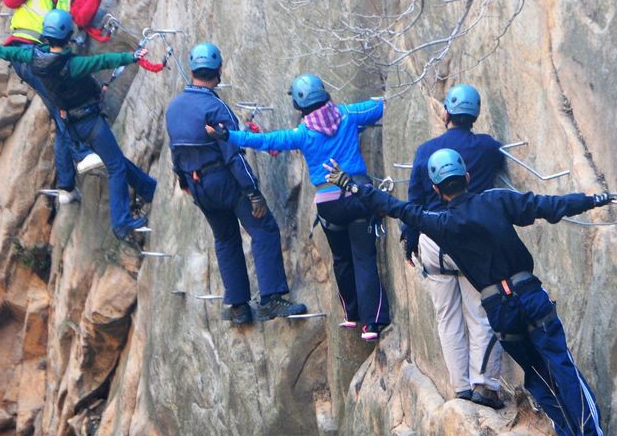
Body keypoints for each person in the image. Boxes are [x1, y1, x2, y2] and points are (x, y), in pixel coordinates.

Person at [323, 150, 614, 436]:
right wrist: (592, 200)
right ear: (467, 177)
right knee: (560, 362)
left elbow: (397, 208)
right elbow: (548, 206)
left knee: (537, 373)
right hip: (529, 295)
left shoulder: (441, 223)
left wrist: (353, 186)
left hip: (501, 311)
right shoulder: (496, 200)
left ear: (436, 190)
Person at [208, 74, 390, 341]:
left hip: (329, 205)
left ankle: (351, 315)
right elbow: (380, 107)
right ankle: (371, 325)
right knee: (363, 258)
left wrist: (228, 135)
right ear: (325, 94)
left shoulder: (303, 134)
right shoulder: (348, 115)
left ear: (299, 105)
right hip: (357, 196)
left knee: (341, 260)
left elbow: (266, 141)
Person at [0, 9, 156, 241]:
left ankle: (148, 188)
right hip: (90, 121)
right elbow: (104, 60)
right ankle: (121, 223)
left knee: (113, 159)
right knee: (116, 166)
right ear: (68, 36)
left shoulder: (35, 59)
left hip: (71, 124)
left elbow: (9, 52)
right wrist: (133, 56)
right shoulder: (73, 64)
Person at [165, 43, 307, 326]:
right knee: (264, 229)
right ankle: (270, 299)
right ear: (218, 71)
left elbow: (176, 149)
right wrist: (253, 192)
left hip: (197, 185)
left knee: (225, 238)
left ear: (193, 70)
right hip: (224, 181)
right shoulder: (215, 107)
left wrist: (184, 180)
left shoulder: (174, 108)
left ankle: (238, 306)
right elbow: (233, 155)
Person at [405, 84, 507, 407]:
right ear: (474, 115)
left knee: (447, 315)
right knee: (480, 313)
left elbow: (414, 201)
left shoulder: (425, 151)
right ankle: (484, 386)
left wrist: (410, 241)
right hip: (470, 240)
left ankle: (461, 387)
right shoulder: (488, 149)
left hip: (432, 239)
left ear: (446, 113)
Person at [0, 0, 109, 201]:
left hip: (53, 56)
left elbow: (80, 19)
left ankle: (66, 187)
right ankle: (81, 156)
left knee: (61, 110)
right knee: (62, 106)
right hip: (26, 49)